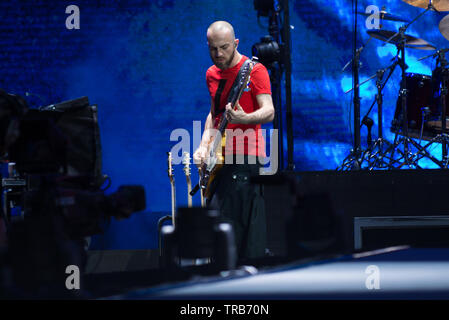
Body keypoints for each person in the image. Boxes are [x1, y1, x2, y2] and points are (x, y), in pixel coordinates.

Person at [193, 21, 275, 261]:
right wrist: (203, 145)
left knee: (234, 227)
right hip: (218, 158)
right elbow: (214, 113)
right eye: (213, 48)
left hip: (245, 155)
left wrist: (245, 118)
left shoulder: (254, 70)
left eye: (224, 47)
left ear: (236, 43)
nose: (218, 54)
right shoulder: (211, 74)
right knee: (220, 225)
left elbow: (269, 111)